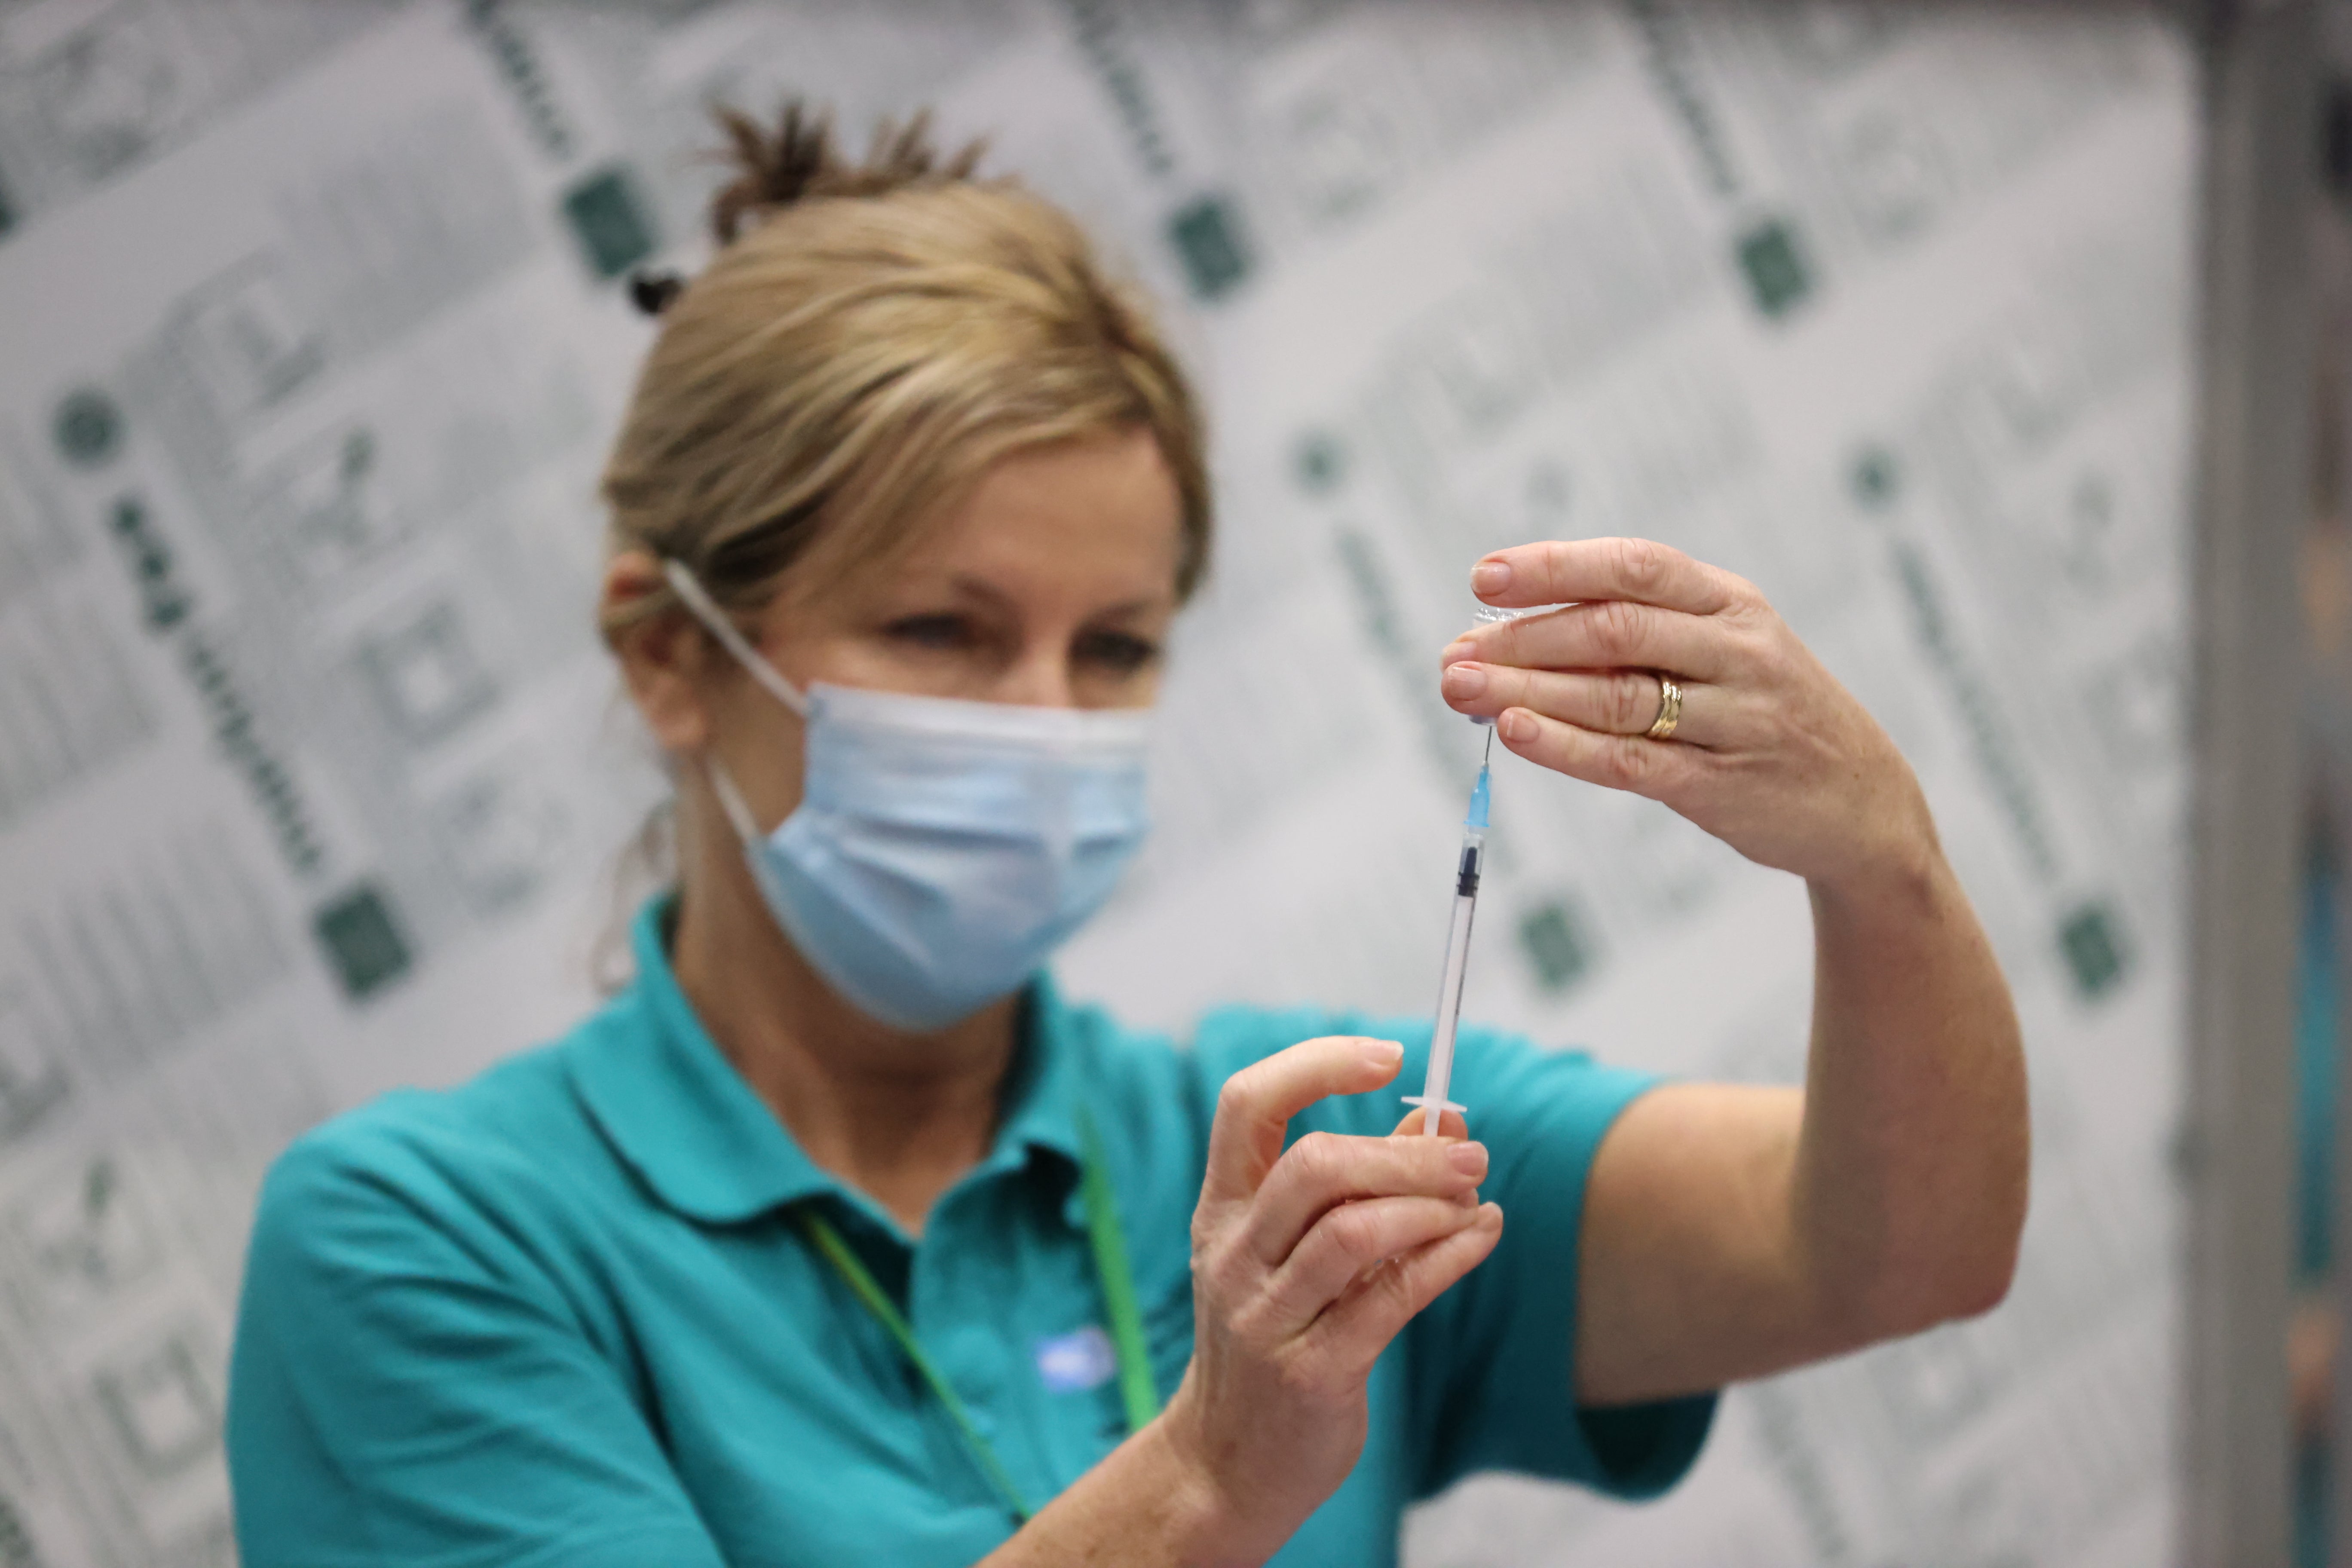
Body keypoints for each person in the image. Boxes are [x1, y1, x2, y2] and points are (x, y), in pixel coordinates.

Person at [224, 105, 2028, 1568]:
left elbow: (1902, 1248)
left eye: (1117, 649)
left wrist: (1882, 871)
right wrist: (1212, 1477)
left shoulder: (1305, 1145)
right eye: (941, 633)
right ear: (671, 652)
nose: (1045, 725)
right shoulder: (431, 1241)